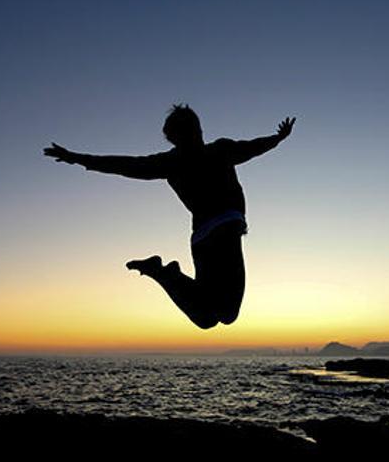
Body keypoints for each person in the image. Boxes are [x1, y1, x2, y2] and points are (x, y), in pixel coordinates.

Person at [44, 104, 295, 329]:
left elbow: (124, 165)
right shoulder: (219, 150)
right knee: (226, 314)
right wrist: (278, 138)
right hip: (224, 231)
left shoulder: (174, 161)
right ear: (197, 129)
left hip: (203, 239)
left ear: (173, 137)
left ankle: (163, 273)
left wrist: (76, 158)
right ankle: (165, 273)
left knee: (207, 318)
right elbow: (254, 147)